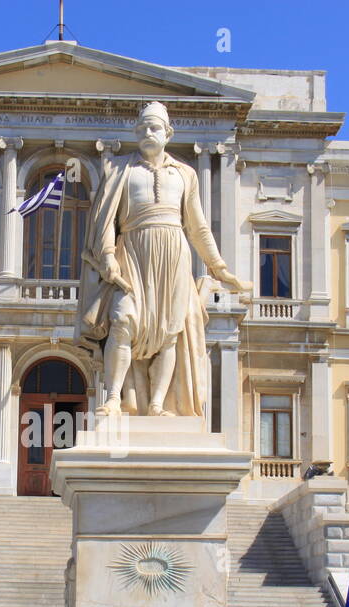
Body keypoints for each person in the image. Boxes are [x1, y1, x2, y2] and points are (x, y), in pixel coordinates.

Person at [77, 100, 249, 417]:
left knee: (171, 332)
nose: (147, 133)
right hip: (133, 252)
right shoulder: (119, 170)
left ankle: (157, 404)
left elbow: (198, 227)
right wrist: (108, 257)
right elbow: (103, 221)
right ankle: (114, 397)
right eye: (141, 127)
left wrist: (220, 269)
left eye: (154, 127)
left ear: (168, 132)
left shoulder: (185, 174)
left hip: (174, 257)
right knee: (123, 319)